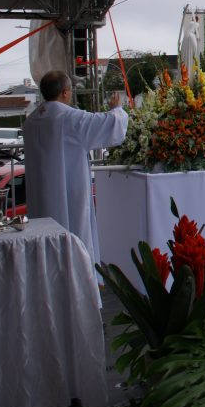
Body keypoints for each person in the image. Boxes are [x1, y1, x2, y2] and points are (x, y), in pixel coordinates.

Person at [24, 70, 128, 266]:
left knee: (44, 246)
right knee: (71, 240)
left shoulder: (31, 121)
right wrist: (117, 109)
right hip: (67, 193)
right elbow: (109, 124)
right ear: (64, 92)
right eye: (70, 91)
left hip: (39, 195)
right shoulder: (68, 118)